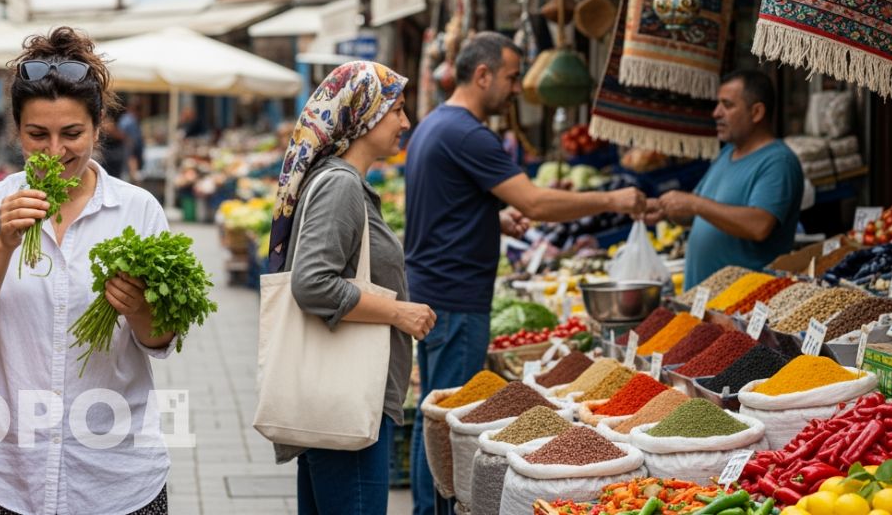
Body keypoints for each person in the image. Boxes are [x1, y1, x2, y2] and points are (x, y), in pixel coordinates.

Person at [0, 27, 174, 515]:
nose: (55, 151)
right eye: (37, 135)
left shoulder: (137, 210)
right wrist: (3, 243)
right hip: (0, 473)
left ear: (98, 127)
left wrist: (141, 308)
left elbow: (161, 339)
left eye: (72, 134)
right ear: (16, 131)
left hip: (114, 477)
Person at [405, 31, 646, 515]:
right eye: (513, 77)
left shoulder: (434, 126)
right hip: (455, 297)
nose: (517, 88)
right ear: (482, 74)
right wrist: (612, 200)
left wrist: (488, 216)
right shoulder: (468, 133)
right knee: (452, 421)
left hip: (437, 289)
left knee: (434, 416)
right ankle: (437, 509)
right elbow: (535, 201)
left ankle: (426, 507)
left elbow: (442, 206)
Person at [264, 61, 436, 515]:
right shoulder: (340, 185)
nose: (406, 122)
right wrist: (400, 312)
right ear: (364, 115)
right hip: (349, 397)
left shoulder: (342, 182)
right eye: (396, 110)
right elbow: (313, 284)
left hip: (339, 396)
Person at [644, 69, 805, 290]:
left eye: (727, 105)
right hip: (703, 302)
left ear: (756, 112)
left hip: (742, 307)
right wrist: (663, 209)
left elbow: (759, 225)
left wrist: (694, 203)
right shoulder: (726, 154)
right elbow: (699, 213)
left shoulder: (778, 162)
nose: (716, 113)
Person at [118, 95, 145, 180]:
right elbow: (122, 133)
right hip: (129, 148)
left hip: (133, 148)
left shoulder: (131, 119)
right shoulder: (127, 119)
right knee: (129, 169)